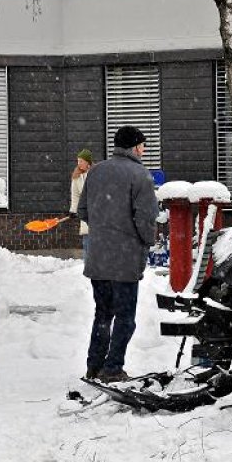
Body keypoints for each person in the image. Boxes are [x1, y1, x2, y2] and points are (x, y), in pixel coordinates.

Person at [78, 126, 159, 383]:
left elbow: (82, 211)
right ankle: (112, 368)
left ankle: (94, 365)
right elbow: (145, 219)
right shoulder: (140, 175)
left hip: (98, 257)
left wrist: (104, 227)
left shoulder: (96, 172)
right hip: (125, 259)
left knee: (103, 314)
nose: (144, 150)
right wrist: (146, 241)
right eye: (143, 146)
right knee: (125, 317)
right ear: (135, 147)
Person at [69, 149, 93, 263]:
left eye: (81, 161)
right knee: (87, 241)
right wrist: (73, 210)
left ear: (88, 162)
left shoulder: (96, 173)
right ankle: (88, 265)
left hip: (98, 212)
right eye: (78, 161)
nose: (79, 164)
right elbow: (75, 196)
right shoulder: (76, 177)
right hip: (85, 213)